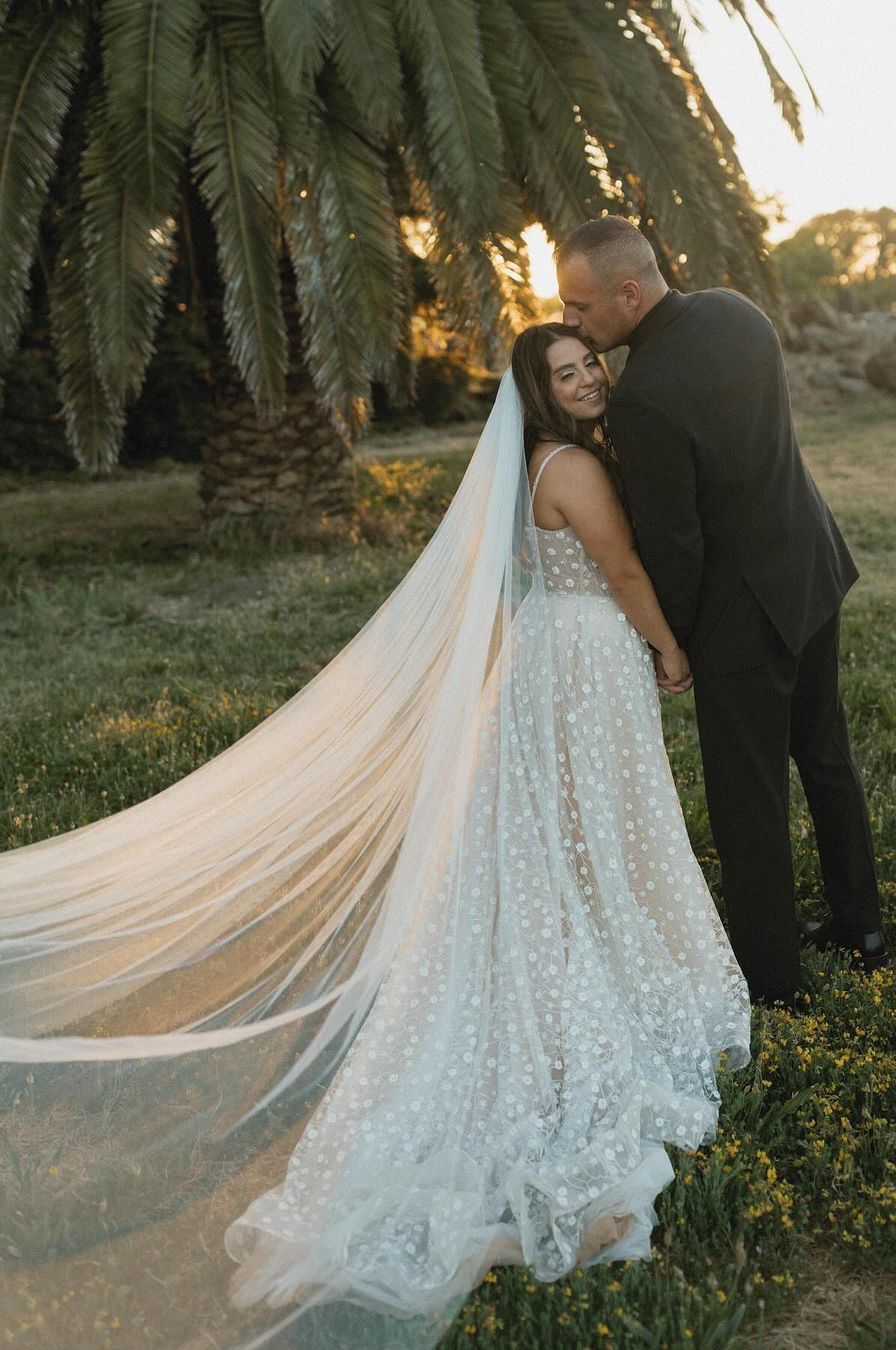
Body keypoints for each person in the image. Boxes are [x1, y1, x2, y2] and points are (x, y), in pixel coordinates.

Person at [0, 325, 749, 1349]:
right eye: (566, 372)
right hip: (586, 657)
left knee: (567, 840)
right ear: (538, 393)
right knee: (598, 837)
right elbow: (618, 570)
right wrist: (671, 649)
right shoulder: (573, 464)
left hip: (547, 660)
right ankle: (597, 982)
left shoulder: (538, 463)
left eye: (590, 366)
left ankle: (589, 948)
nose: (587, 379)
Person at [556, 216, 894, 1009]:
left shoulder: (641, 398)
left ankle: (773, 984)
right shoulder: (740, 314)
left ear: (628, 294)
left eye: (579, 306)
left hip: (742, 617)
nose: (571, 321)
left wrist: (666, 644)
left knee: (748, 800)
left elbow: (675, 546)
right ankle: (862, 929)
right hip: (810, 569)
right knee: (826, 758)